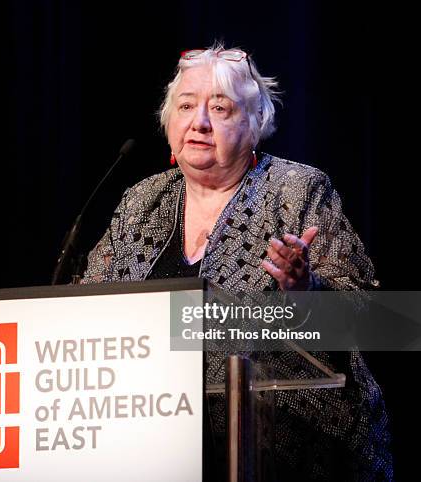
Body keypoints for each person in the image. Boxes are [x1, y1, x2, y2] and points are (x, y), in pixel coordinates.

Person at [81, 43, 392, 480]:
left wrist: (306, 291)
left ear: (255, 125)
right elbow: (87, 305)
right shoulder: (143, 201)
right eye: (186, 106)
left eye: (221, 108)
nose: (199, 122)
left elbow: (371, 318)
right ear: (169, 122)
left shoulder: (296, 191)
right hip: (157, 447)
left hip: (292, 452)